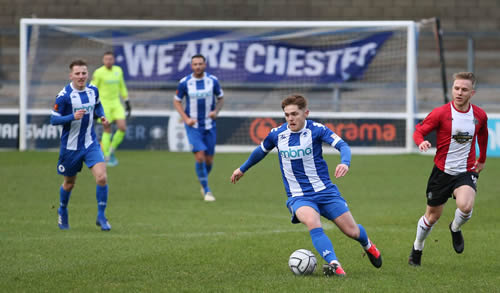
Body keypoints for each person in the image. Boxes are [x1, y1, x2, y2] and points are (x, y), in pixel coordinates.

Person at [230, 94, 382, 277]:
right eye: (287, 115)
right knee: (312, 221)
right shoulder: (277, 134)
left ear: (306, 113)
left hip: (325, 191)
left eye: (294, 113)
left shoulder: (317, 130)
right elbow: (260, 151)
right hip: (298, 195)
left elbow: (342, 145)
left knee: (352, 231)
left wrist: (345, 162)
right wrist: (242, 168)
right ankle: (334, 264)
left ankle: (368, 246)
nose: (290, 118)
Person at [408, 72, 488, 266]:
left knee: (466, 206)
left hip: (466, 171)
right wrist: (420, 142)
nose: (459, 93)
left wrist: (482, 159)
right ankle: (417, 248)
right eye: (456, 88)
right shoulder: (440, 113)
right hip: (442, 172)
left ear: (472, 93)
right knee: (432, 216)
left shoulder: (479, 115)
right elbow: (418, 131)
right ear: (453, 89)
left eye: (464, 89)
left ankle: (455, 227)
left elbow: (483, 135)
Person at [50, 59, 112, 231]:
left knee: (102, 177)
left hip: (90, 143)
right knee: (69, 183)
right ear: (71, 75)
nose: (81, 76)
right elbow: (53, 119)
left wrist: (103, 116)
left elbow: (98, 106)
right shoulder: (64, 96)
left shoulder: (93, 91)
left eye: (84, 73)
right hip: (70, 147)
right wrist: (72, 117)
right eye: (77, 73)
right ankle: (62, 209)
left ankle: (101, 215)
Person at [173, 54, 224, 202]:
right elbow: (177, 101)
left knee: (209, 161)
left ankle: (203, 181)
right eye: (195, 64)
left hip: (209, 125)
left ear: (205, 65)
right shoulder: (185, 82)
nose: (198, 66)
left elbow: (220, 98)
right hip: (193, 125)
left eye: (200, 64)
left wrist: (216, 111)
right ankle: (207, 190)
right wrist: (186, 118)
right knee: (200, 156)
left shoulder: (212, 81)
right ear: (191, 66)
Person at [91, 51, 131, 167]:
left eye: (110, 59)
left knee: (122, 127)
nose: (108, 61)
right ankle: (107, 155)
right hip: (104, 105)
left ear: (113, 60)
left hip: (116, 103)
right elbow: (93, 88)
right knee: (107, 129)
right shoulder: (99, 73)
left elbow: (122, 86)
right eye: (106, 59)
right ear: (103, 61)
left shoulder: (118, 70)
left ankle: (111, 149)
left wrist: (127, 101)